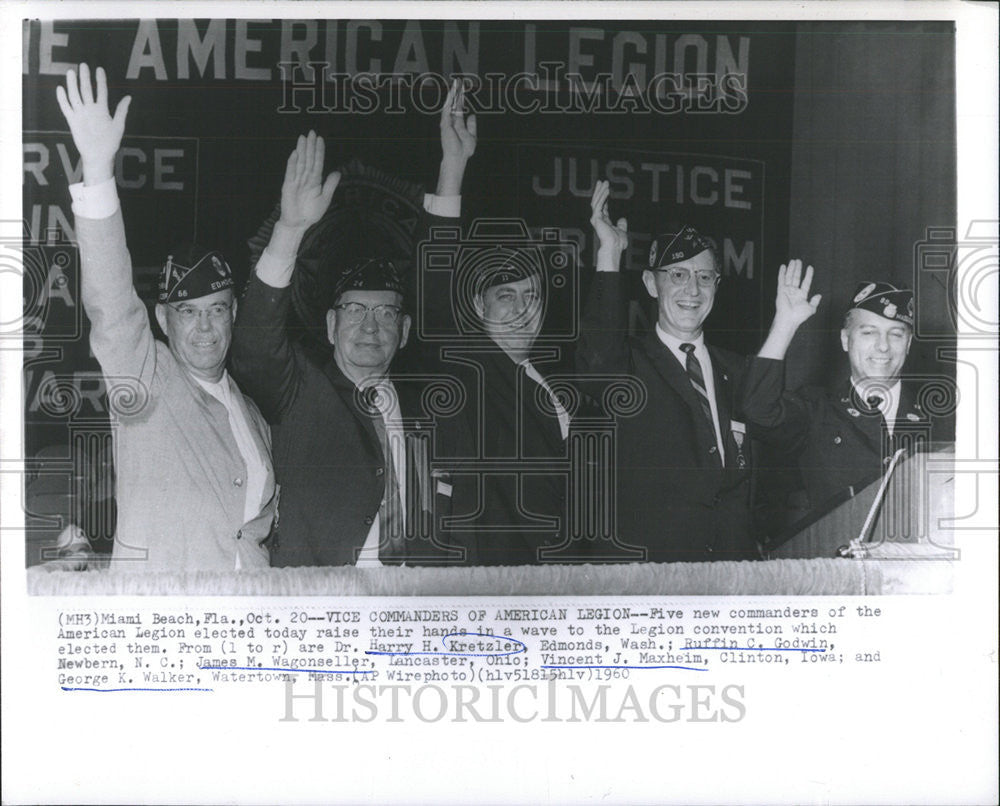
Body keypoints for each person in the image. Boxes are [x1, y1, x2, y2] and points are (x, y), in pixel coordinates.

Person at [230, 81, 476, 567]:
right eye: (355, 311)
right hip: (325, 613)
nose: (370, 326)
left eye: (386, 313)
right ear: (328, 325)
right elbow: (256, 343)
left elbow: (440, 300)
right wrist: (291, 230)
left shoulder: (431, 406)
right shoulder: (300, 391)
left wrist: (452, 170)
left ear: (404, 332)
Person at [56, 64, 277, 572]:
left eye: (217, 310)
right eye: (187, 312)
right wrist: (97, 171)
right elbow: (111, 303)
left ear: (234, 315)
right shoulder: (147, 376)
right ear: (163, 317)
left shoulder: (255, 417)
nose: (204, 327)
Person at [575, 180, 756, 562]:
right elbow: (596, 367)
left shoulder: (738, 371)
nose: (692, 289)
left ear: (717, 286)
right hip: (648, 576)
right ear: (650, 284)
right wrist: (610, 254)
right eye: (677, 275)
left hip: (727, 578)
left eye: (705, 277)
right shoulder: (628, 364)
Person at [741, 263, 935, 515]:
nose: (883, 346)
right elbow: (757, 410)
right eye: (869, 333)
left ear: (908, 344)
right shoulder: (818, 411)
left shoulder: (943, 415)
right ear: (845, 339)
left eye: (896, 335)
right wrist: (784, 325)